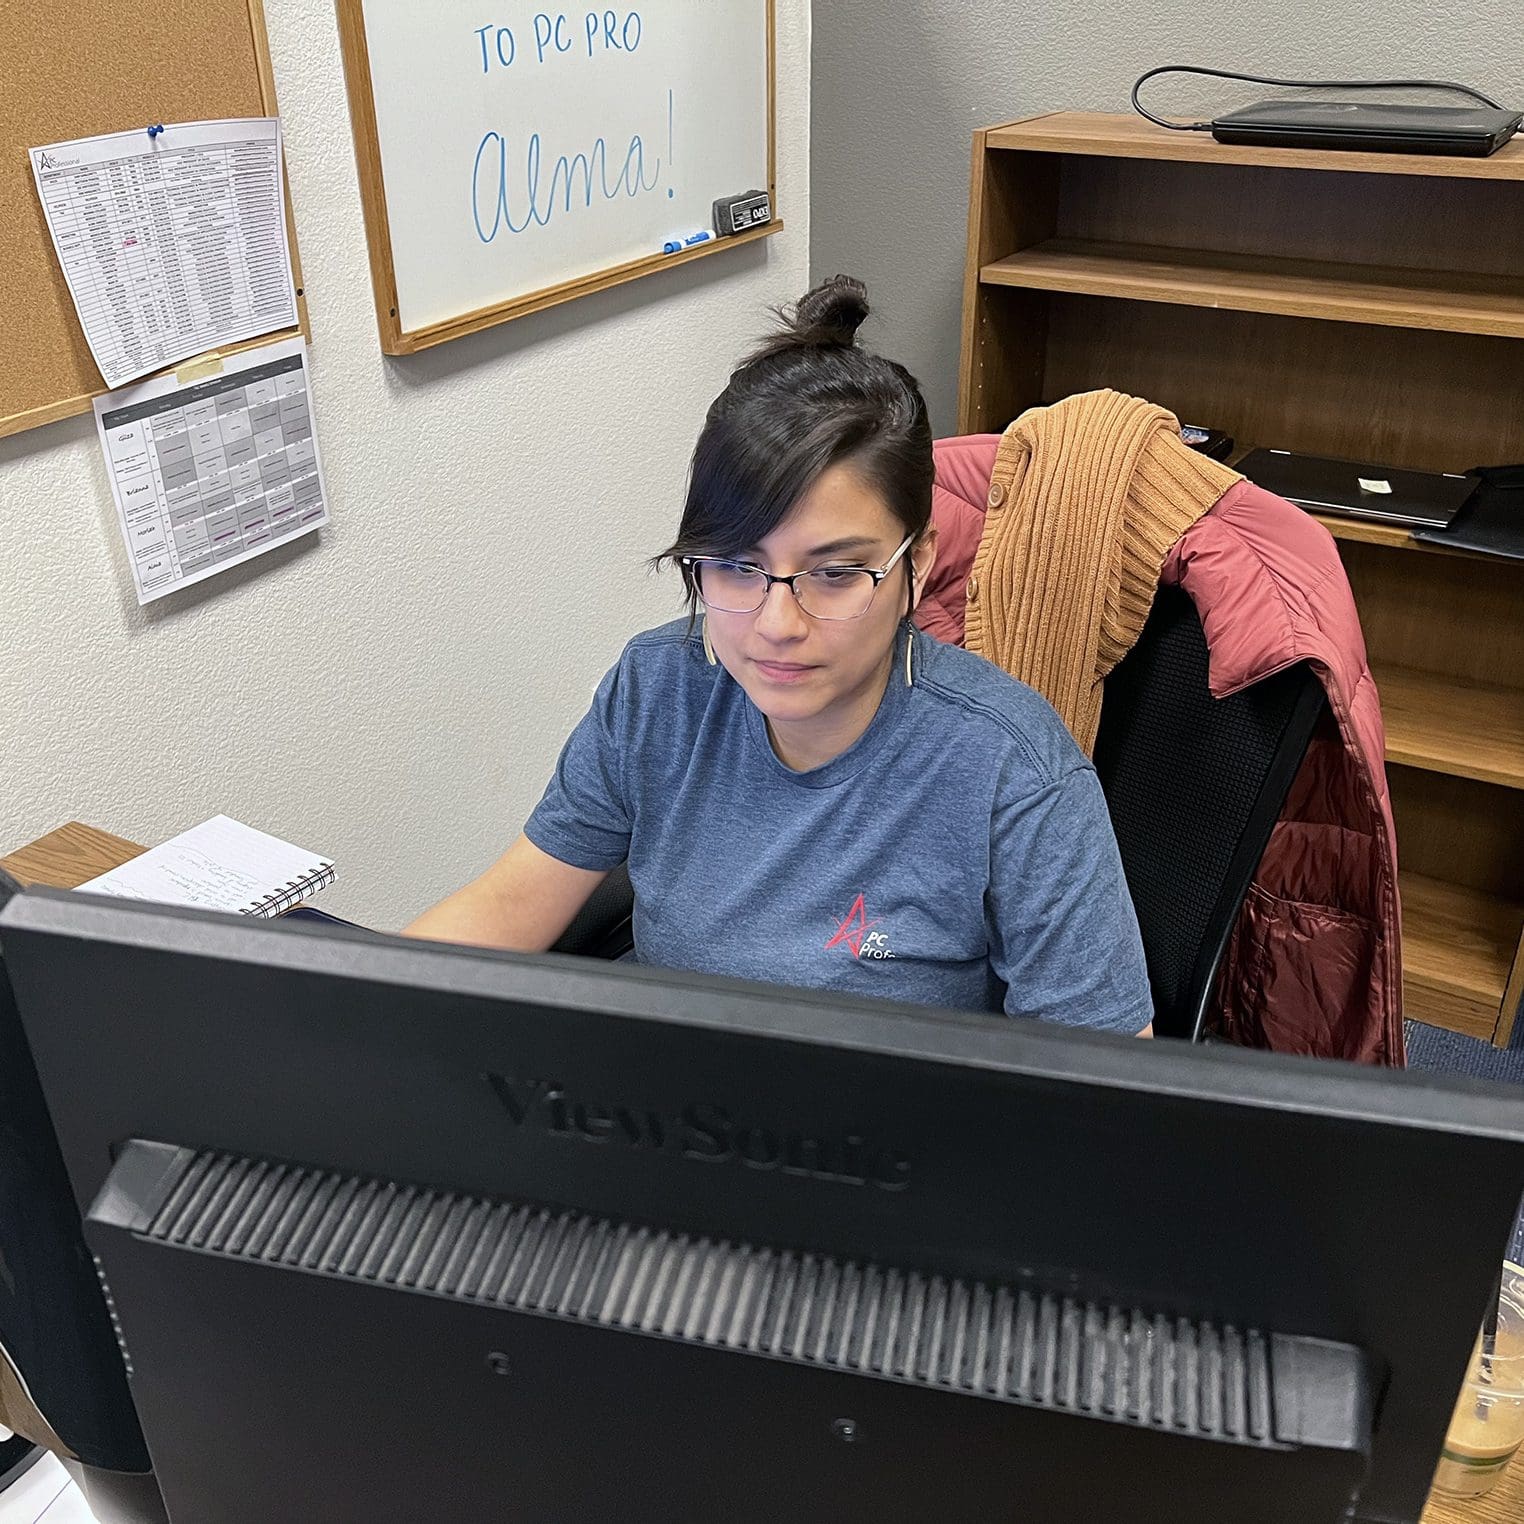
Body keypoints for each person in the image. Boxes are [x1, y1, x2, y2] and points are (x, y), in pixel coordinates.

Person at [406, 276, 1153, 1036]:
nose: (776, 624)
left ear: (917, 564)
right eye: (734, 567)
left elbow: (1107, 1078)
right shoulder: (658, 687)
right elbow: (512, 903)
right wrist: (357, 1008)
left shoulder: (1011, 771)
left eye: (833, 574)